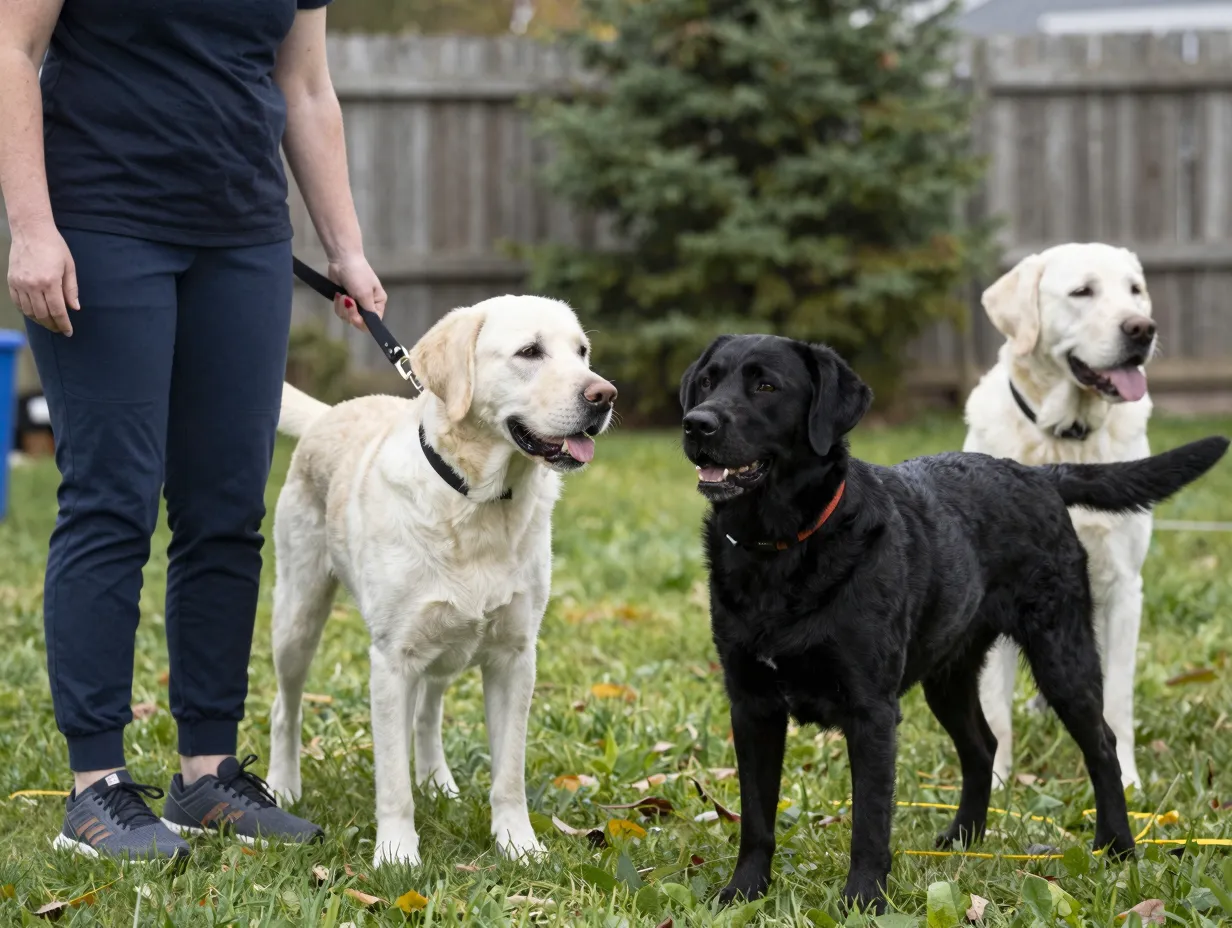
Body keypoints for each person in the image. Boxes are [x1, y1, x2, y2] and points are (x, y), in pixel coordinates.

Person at [0, 0, 387, 862]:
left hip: (244, 233)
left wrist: (347, 247)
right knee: (113, 499)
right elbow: (11, 49)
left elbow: (306, 85)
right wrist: (31, 228)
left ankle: (205, 774)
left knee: (225, 506)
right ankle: (94, 786)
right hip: (101, 218)